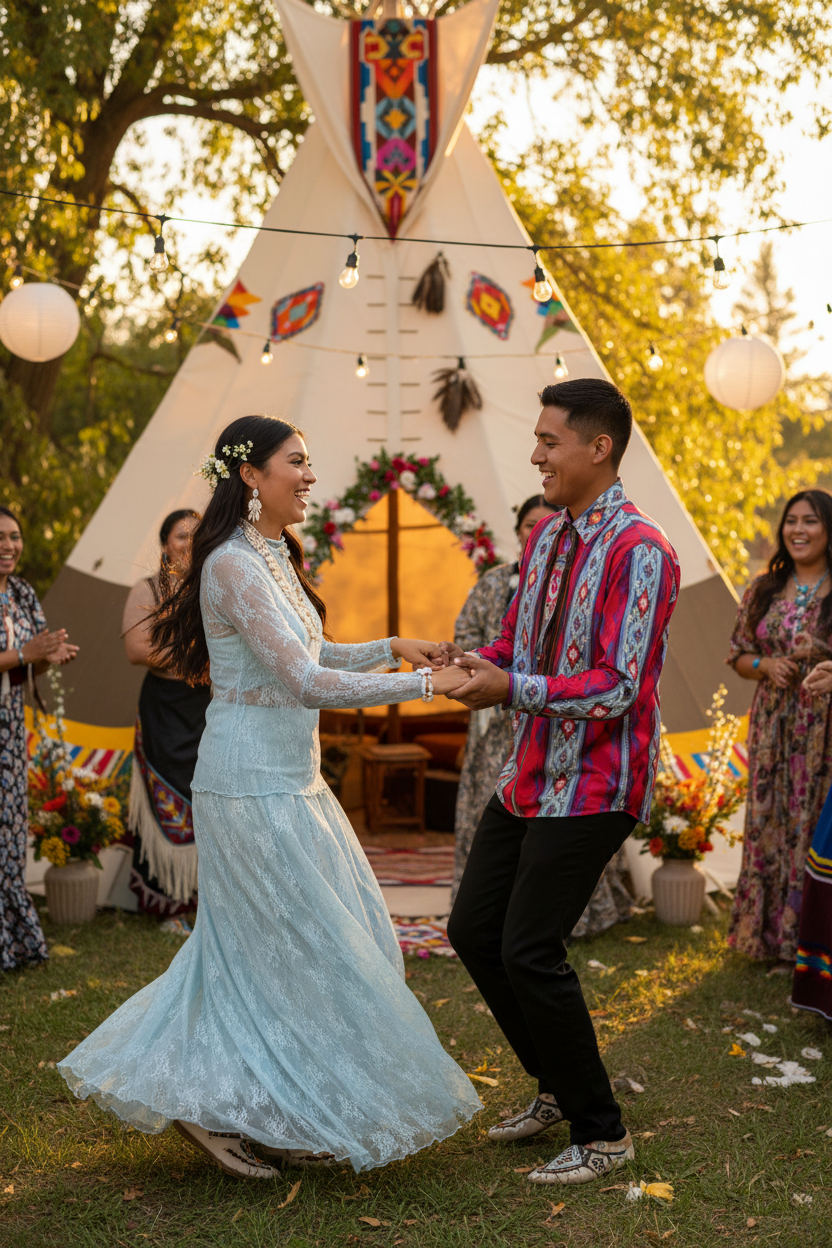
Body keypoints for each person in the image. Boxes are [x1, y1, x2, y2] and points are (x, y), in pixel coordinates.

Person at [58, 415, 478, 1178]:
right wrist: (426, 685)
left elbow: (312, 652)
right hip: (247, 784)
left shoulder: (273, 552)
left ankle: (260, 1105)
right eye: (299, 462)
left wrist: (392, 646)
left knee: (319, 946)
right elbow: (306, 682)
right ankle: (237, 1106)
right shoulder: (228, 565)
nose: (311, 476)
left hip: (295, 778)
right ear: (251, 475)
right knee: (290, 953)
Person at [443, 378, 680, 1187]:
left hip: (596, 785)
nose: (536, 454)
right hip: (528, 774)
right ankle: (554, 1088)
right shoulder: (544, 539)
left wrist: (509, 689)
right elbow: (515, 643)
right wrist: (475, 666)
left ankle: (604, 1133)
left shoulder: (641, 550)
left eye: (549, 440)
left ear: (598, 448)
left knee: (529, 949)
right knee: (474, 931)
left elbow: (618, 687)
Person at [726, 490, 832, 964]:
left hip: (825, 729)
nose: (799, 530)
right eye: (791, 521)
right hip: (773, 725)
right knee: (770, 822)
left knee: (814, 826)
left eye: (810, 521)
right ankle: (766, 937)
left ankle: (810, 943)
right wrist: (766, 665)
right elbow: (737, 654)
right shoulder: (762, 589)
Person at [451, 495, 555, 903]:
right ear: (518, 532)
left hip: (549, 716)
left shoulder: (571, 584)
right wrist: (484, 669)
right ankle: (485, 901)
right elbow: (467, 634)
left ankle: (536, 906)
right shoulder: (495, 582)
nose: (537, 532)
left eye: (546, 524)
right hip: (494, 721)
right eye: (530, 525)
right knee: (491, 807)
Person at [0, 506, 78, 972]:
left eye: (14, 536)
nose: (8, 546)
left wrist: (49, 657)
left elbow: (30, 659)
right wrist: (24, 653)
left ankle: (15, 941)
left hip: (10, 726)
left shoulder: (24, 592)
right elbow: (20, 653)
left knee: (9, 831)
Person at [122, 509, 209, 927]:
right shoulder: (147, 589)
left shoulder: (215, 584)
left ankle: (205, 902)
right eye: (180, 536)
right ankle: (169, 905)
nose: (189, 544)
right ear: (164, 545)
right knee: (168, 791)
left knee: (209, 794)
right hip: (164, 708)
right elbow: (138, 650)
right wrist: (198, 661)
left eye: (197, 536)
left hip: (209, 707)